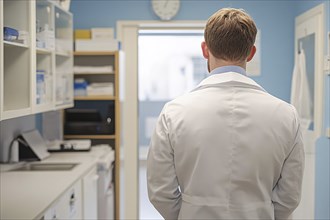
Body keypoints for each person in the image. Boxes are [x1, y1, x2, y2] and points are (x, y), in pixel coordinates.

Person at [147, 8, 305, 220]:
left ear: (205, 50)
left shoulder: (174, 113)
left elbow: (160, 192)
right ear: (251, 52)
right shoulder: (286, 115)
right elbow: (289, 196)